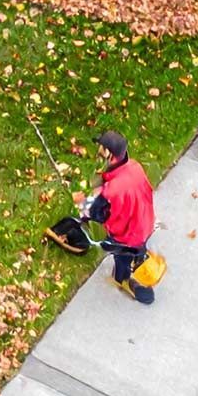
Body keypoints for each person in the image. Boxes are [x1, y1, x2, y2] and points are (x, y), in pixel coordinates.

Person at [81, 130, 157, 304]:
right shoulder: (135, 166)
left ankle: (123, 278)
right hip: (145, 222)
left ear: (110, 155)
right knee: (139, 247)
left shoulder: (112, 191)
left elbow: (96, 214)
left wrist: (82, 204)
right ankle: (139, 259)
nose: (98, 151)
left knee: (122, 256)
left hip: (127, 236)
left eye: (101, 149)